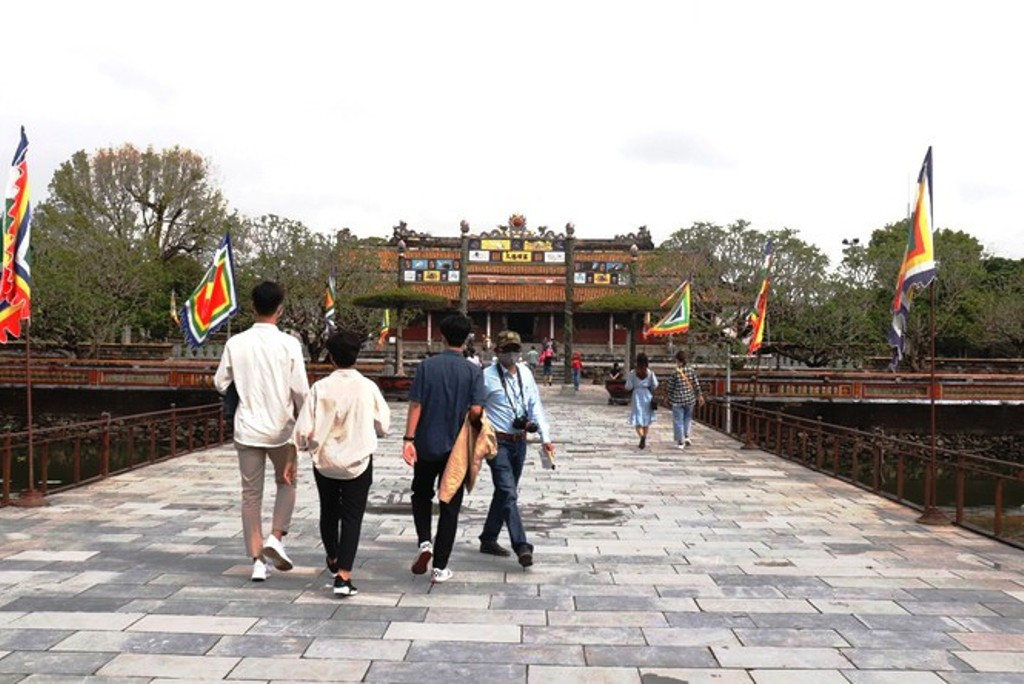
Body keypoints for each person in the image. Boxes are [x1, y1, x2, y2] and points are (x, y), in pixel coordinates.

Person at [214, 281, 309, 582]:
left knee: (251, 495)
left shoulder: (236, 343)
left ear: (253, 307)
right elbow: (301, 390)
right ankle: (276, 537)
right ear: (280, 310)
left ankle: (257, 559)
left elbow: (220, 382)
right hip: (282, 428)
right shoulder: (289, 344)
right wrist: (305, 424)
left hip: (248, 427)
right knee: (287, 482)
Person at [293, 330, 390, 597]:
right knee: (351, 517)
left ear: (332, 357)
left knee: (328, 510)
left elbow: (302, 429)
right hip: (358, 460)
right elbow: (383, 424)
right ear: (356, 355)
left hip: (325, 460)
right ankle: (344, 576)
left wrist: (301, 447)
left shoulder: (320, 388)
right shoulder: (367, 387)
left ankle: (333, 556)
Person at [403, 313, 486, 583]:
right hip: (456, 449)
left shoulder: (427, 367)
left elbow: (416, 404)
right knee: (450, 503)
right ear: (467, 339)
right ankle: (440, 566)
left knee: (421, 493)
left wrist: (408, 439)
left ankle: (424, 541)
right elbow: (476, 409)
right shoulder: (473, 371)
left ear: (442, 336)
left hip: (426, 443)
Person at [478, 330, 554, 567]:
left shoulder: (525, 373)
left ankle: (488, 537)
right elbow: (475, 408)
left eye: (515, 349)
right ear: (497, 351)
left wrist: (544, 436)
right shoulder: (486, 377)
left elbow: (535, 405)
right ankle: (521, 545)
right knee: (508, 492)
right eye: (507, 350)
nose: (511, 354)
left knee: (505, 492)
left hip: (520, 441)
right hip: (497, 442)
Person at [666, 350, 704, 450]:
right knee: (687, 418)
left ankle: (680, 441)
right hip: (690, 399)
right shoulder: (691, 370)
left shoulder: (675, 372)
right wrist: (700, 396)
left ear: (677, 360)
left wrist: (668, 397)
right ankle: (686, 436)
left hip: (677, 400)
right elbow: (696, 384)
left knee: (678, 420)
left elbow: (670, 387)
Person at [625, 352, 658, 450]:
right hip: (647, 395)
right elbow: (655, 385)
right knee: (646, 419)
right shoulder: (650, 373)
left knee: (637, 418)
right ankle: (644, 436)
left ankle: (641, 436)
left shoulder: (633, 373)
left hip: (637, 395)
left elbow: (628, 386)